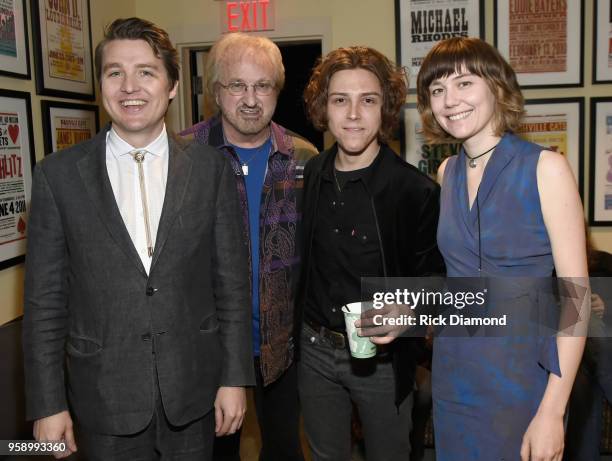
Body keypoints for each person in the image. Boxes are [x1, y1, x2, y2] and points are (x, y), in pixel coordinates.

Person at [22, 17, 254, 461]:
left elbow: (232, 286)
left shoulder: (211, 171)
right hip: (102, 400)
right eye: (115, 73)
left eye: (145, 72)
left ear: (170, 85)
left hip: (193, 392)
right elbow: (44, 303)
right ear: (102, 84)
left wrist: (234, 378)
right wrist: (48, 403)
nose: (130, 86)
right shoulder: (58, 176)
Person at [416, 37, 588, 460]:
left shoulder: (546, 168)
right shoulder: (447, 171)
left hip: (524, 378)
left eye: (463, 84)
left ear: (495, 85)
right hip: (455, 375)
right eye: (437, 90)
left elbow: (576, 300)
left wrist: (552, 410)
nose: (449, 100)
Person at [298, 46, 444, 461]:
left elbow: (439, 280)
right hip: (314, 350)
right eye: (340, 100)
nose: (354, 114)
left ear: (387, 110)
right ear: (323, 108)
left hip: (382, 358)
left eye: (369, 100)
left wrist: (408, 312)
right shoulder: (311, 175)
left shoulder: (415, 192)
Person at [180, 32, 317, 461]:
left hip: (283, 346)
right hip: (209, 348)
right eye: (237, 85)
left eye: (263, 86)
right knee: (216, 452)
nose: (251, 99)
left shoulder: (303, 157)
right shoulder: (182, 156)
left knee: (284, 449)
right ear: (215, 90)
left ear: (277, 92)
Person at [564, 235, 612, 460]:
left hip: (594, 343)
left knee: (591, 327)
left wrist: (606, 306)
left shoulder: (604, 263)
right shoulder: (547, 266)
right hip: (566, 339)